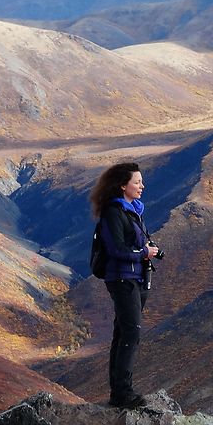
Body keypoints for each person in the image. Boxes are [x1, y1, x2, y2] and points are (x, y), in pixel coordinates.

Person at [90, 161, 159, 408]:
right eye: (137, 182)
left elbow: (134, 244)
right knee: (130, 332)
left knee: (123, 332)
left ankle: (119, 392)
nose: (142, 185)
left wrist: (150, 251)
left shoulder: (133, 210)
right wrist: (143, 254)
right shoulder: (113, 212)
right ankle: (122, 393)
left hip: (136, 279)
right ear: (122, 185)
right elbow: (116, 248)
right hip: (122, 279)